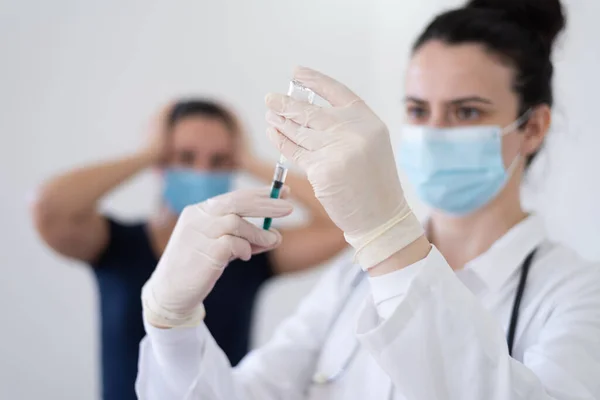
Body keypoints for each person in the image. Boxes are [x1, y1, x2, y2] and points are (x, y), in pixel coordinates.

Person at [136, 1, 600, 399]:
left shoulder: (576, 296)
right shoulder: (352, 279)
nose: (433, 132)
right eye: (418, 110)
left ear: (533, 128)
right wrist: (172, 325)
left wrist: (390, 242)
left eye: (466, 111)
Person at [32, 99, 347, 400]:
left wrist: (249, 159)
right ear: (162, 162)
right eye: (185, 157)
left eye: (219, 161)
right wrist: (148, 153)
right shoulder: (116, 244)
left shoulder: (246, 248)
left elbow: (342, 221)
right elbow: (50, 209)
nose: (201, 172)